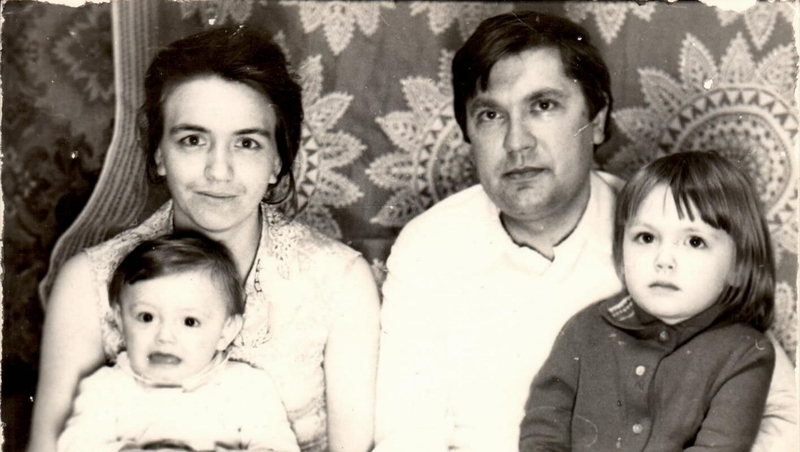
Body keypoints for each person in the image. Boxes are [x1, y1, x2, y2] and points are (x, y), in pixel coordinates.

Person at [373, 11, 797, 452]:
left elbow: (784, 413)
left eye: (543, 106)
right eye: (490, 114)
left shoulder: (659, 231)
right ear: (468, 132)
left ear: (596, 121)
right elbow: (407, 436)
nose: (517, 142)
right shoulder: (430, 246)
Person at [29, 27, 380, 452]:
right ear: (159, 153)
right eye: (193, 140)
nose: (219, 171)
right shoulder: (89, 282)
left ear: (277, 162)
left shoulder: (338, 281)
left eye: (246, 143)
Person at [520, 152, 776, 451]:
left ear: (738, 266)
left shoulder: (745, 353)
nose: (663, 260)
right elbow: (543, 428)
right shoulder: (585, 328)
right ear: (621, 249)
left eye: (694, 241)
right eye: (646, 237)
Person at [57, 233, 300, 452]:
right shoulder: (105, 389)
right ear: (120, 320)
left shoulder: (247, 388)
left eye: (189, 322)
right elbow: (76, 445)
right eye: (147, 317)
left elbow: (278, 446)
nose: (164, 336)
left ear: (226, 332)